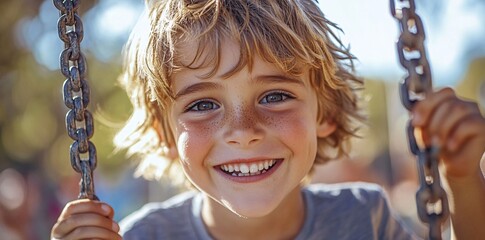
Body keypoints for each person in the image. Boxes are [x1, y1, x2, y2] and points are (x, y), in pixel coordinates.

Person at [50, 0, 485, 239]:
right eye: (203, 104)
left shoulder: (363, 219)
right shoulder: (143, 237)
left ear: (325, 114)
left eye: (275, 96)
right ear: (165, 133)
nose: (242, 131)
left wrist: (463, 181)